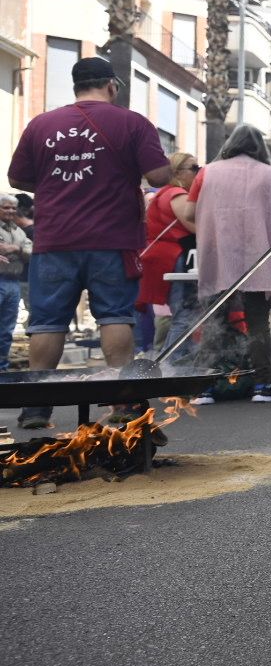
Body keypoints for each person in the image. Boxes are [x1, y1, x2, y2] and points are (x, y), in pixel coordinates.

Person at [7, 56, 171, 428]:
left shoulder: (42, 124)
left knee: (47, 323)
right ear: (112, 86)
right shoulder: (132, 122)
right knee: (114, 315)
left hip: (54, 241)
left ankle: (36, 407)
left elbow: (17, 179)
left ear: (76, 86)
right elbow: (159, 173)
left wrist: (59, 184)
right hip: (112, 239)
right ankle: (123, 404)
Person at [190, 125, 271, 402]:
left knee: (213, 322)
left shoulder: (207, 172)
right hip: (258, 255)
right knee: (258, 323)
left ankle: (205, 385)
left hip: (217, 254)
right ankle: (261, 384)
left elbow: (188, 210)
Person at [139, 152, 199, 348]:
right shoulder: (176, 195)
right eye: (194, 168)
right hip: (174, 259)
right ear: (178, 173)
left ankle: (176, 362)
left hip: (165, 260)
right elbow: (196, 227)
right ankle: (174, 364)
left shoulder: (164, 193)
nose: (198, 173)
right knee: (184, 314)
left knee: (179, 314)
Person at [0, 195, 32, 367]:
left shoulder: (18, 232)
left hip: (13, 282)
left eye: (13, 208)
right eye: (6, 207)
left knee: (6, 329)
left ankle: (1, 370)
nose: (10, 211)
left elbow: (32, 250)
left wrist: (16, 248)